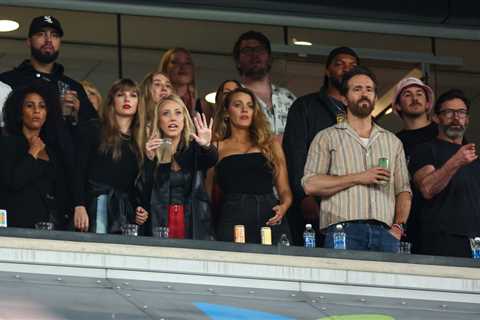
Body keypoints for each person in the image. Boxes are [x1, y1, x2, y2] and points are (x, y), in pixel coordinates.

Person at [302, 66, 411, 252]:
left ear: (375, 98)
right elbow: (310, 185)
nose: (364, 94)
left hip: (385, 233)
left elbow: (403, 191)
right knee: (344, 282)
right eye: (357, 89)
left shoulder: (393, 142)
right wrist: (359, 177)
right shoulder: (326, 137)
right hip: (343, 232)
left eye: (369, 90)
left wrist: (398, 227)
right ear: (344, 98)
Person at [282, 46, 359, 246]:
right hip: (314, 201)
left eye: (352, 66)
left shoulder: (362, 111)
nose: (346, 69)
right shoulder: (305, 106)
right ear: (327, 70)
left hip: (351, 205)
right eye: (339, 64)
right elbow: (295, 153)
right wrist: (303, 197)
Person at [209, 87, 292, 244]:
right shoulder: (217, 146)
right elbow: (207, 193)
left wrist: (284, 206)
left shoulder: (270, 143)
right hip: (232, 215)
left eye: (250, 105)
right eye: (238, 105)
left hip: (269, 216)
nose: (245, 110)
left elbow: (284, 189)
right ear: (226, 112)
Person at [410, 89, 480, 257]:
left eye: (461, 113)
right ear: (436, 118)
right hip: (440, 239)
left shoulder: (474, 158)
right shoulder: (425, 150)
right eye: (449, 112)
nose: (456, 118)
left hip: (474, 241)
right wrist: (456, 161)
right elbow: (427, 188)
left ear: (467, 119)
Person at [137, 95, 217, 239]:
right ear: (158, 121)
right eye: (166, 113)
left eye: (178, 112)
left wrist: (206, 145)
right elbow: (143, 194)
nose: (173, 118)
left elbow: (211, 160)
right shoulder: (152, 150)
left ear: (184, 119)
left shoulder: (194, 148)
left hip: (194, 222)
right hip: (159, 222)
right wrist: (149, 159)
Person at [73, 79, 148, 234]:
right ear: (112, 101)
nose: (127, 99)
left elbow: (139, 183)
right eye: (121, 94)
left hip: (125, 213)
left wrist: (140, 207)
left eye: (133, 95)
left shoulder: (140, 141)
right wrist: (79, 205)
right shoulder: (94, 129)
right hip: (96, 205)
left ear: (139, 103)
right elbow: (78, 170)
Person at [0, 16, 97, 130]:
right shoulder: (8, 81)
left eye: (54, 35)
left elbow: (95, 133)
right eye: (41, 34)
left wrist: (77, 114)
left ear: (60, 42)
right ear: (29, 41)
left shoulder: (73, 87)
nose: (48, 40)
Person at [0, 84, 70, 229]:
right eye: (30, 106)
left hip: (49, 226)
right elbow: (13, 181)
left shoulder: (53, 150)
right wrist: (32, 152)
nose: (37, 110)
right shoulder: (7, 143)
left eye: (42, 106)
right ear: (20, 112)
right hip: (16, 224)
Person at [392, 77, 436, 253]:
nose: (415, 98)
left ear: (427, 104)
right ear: (398, 106)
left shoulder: (443, 134)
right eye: (407, 94)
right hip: (410, 221)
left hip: (443, 220)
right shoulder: (393, 141)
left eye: (419, 94)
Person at [233, 31, 296, 138]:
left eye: (260, 49)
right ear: (238, 61)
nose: (254, 54)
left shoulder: (288, 97)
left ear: (269, 58)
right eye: (247, 51)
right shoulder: (233, 97)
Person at [159, 48, 210, 119]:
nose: (182, 67)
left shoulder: (202, 105)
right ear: (165, 68)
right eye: (175, 62)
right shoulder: (156, 102)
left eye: (187, 63)